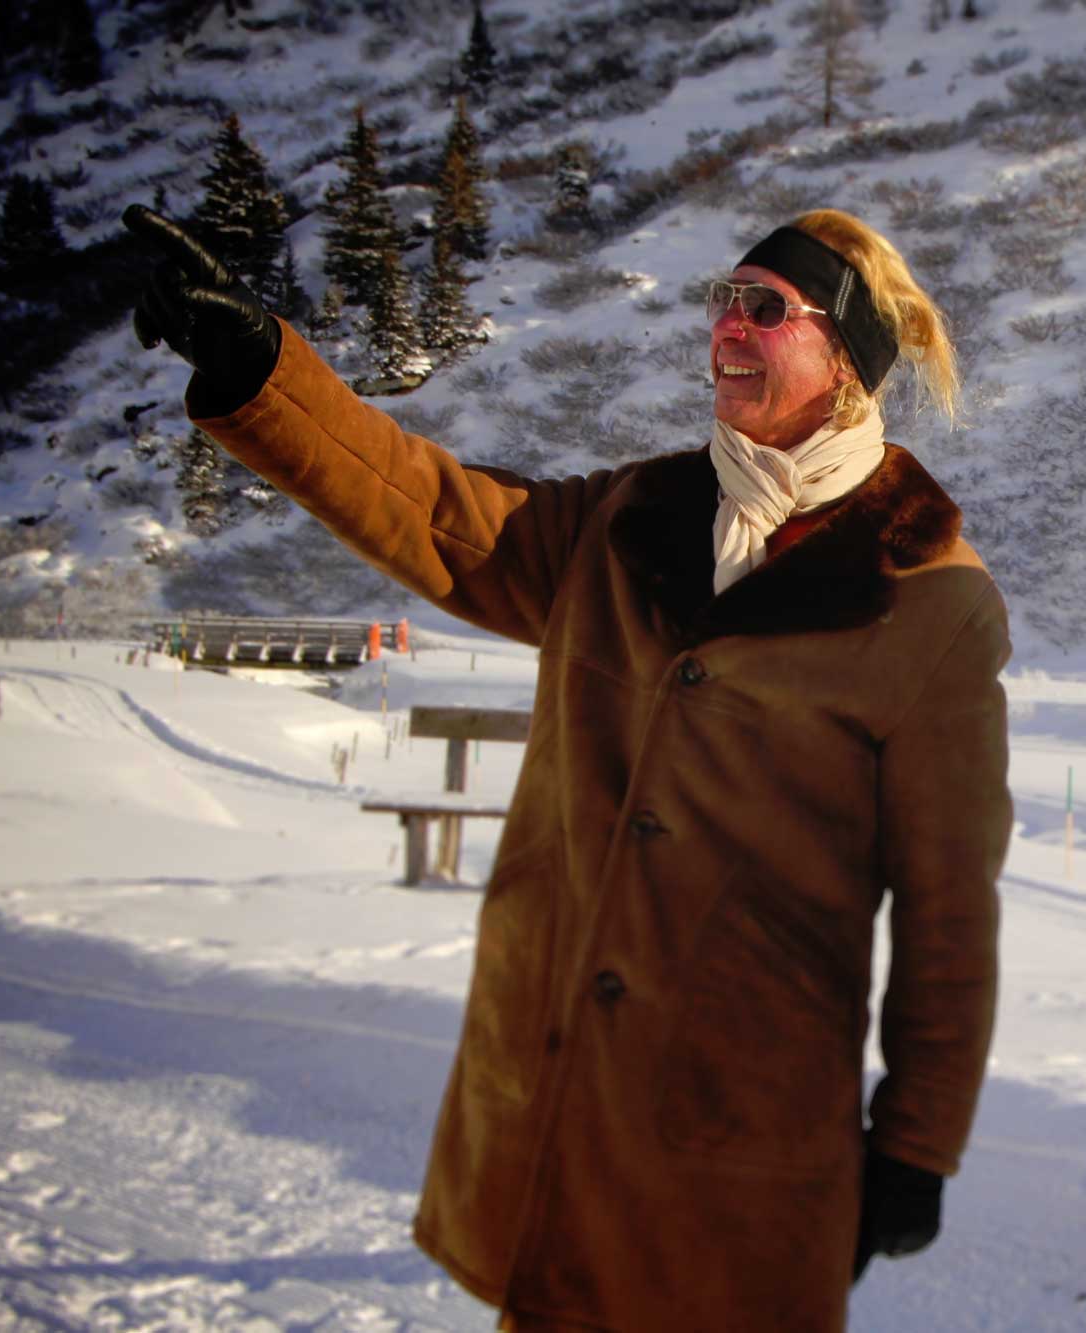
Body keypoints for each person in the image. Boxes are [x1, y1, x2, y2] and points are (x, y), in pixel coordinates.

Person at [122, 202, 1012, 1331]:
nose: (725, 328)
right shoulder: (633, 514)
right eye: (720, 303)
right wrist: (263, 368)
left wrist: (918, 1140)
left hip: (742, 1124)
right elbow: (435, 513)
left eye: (763, 309)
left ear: (844, 359)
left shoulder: (930, 594)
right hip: (561, 1088)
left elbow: (947, 904)